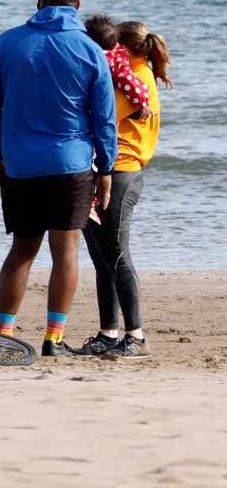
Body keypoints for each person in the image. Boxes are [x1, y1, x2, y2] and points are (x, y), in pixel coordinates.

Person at [0, 0, 117, 356]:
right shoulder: (89, 50)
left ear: (39, 0)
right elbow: (103, 118)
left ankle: (2, 339)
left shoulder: (8, 43)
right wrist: (105, 169)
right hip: (70, 163)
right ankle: (52, 340)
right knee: (66, 250)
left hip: (21, 164)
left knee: (22, 250)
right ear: (78, 4)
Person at [76, 19, 171, 359]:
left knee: (117, 255)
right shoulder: (126, 77)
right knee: (101, 258)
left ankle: (136, 335)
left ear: (124, 50)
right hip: (108, 171)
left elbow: (102, 119)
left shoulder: (135, 81)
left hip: (121, 172)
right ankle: (108, 333)